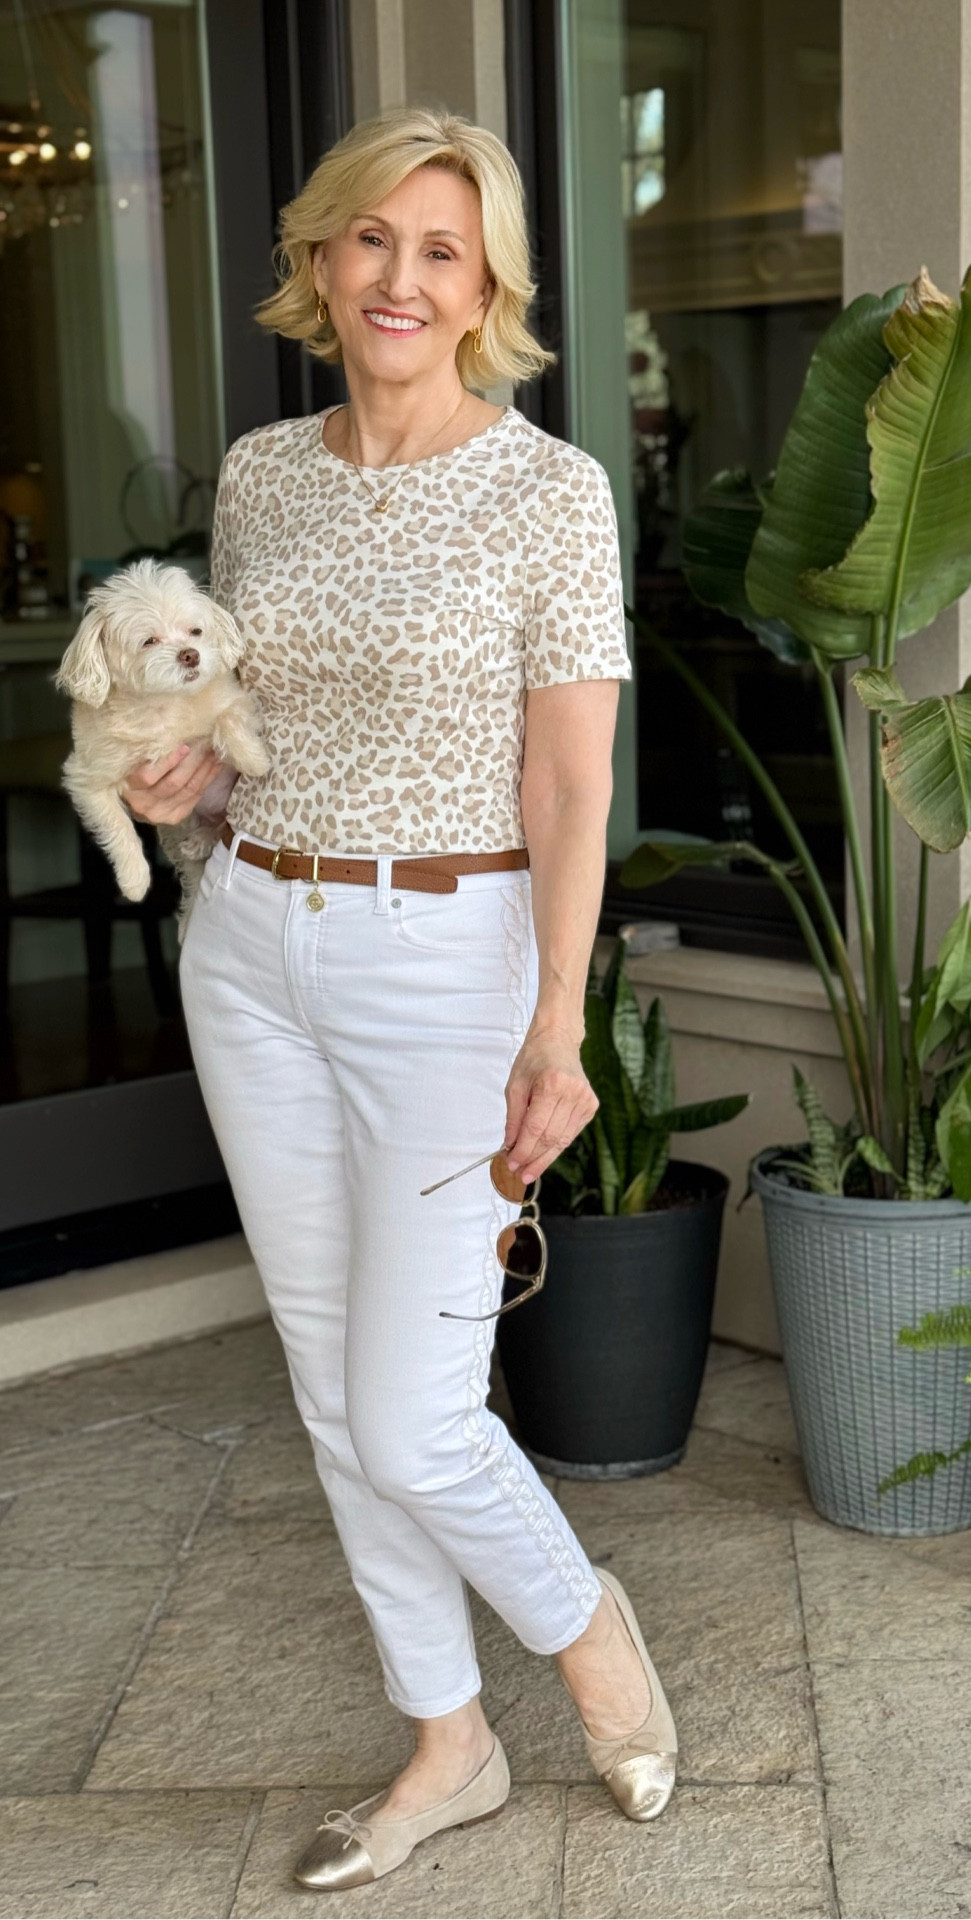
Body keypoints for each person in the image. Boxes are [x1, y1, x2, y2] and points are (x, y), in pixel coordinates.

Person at [120, 104, 677, 1891]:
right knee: (327, 1376)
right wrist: (189, 783)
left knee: (416, 1410)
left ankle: (587, 1636)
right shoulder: (262, 476)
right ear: (321, 255)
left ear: (489, 287)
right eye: (373, 238)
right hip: (251, 942)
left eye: (444, 251)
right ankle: (449, 1740)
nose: (401, 279)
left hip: (448, 961)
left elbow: (572, 788)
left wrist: (558, 1023)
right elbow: (254, 731)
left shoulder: (549, 493)